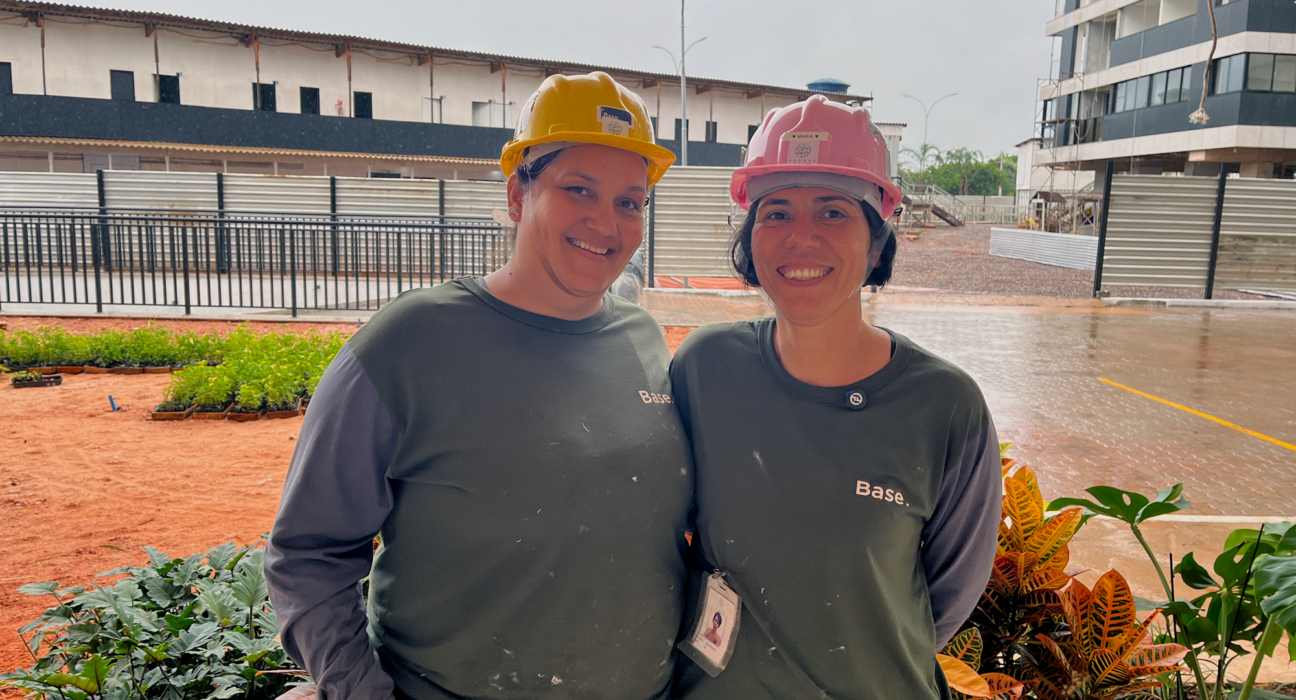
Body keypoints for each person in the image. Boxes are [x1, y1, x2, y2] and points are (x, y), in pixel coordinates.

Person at [265, 71, 693, 700]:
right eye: (579, 190)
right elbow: (308, 553)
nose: (607, 222)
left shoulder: (641, 337)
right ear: (520, 193)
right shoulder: (408, 343)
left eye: (630, 201)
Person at [670, 95, 1002, 699]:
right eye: (776, 214)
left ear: (877, 244)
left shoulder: (946, 408)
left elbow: (946, 600)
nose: (801, 238)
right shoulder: (706, 368)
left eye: (832, 213)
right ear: (750, 238)